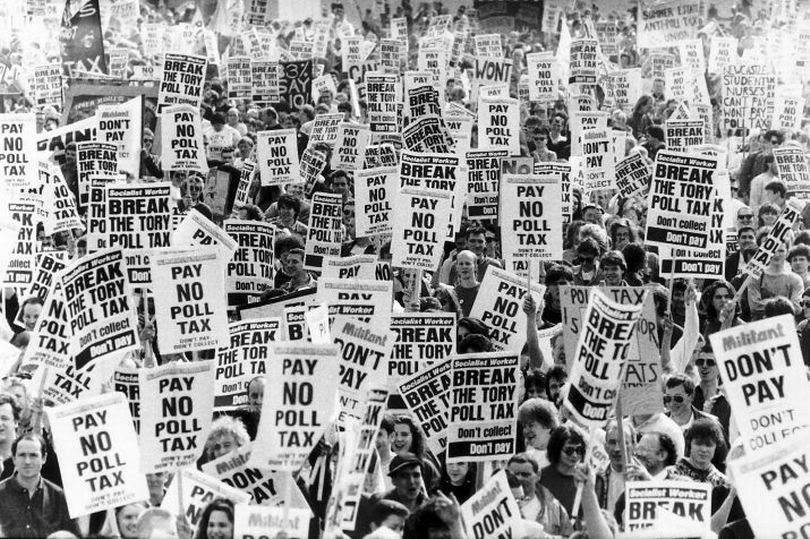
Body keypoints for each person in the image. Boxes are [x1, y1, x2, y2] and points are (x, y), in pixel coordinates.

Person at [0, 434, 79, 537]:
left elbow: (73, 535)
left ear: (44, 458)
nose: (27, 461)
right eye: (22, 455)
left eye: (33, 455)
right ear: (14, 458)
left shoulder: (58, 497)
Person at [508, 453, 573, 536]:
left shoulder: (554, 508)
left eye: (525, 474)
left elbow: (569, 536)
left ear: (538, 475)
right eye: (515, 474)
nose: (519, 478)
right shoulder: (499, 507)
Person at [539, 425, 586, 516]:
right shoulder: (541, 477)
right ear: (556, 449)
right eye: (569, 450)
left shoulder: (584, 478)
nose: (575, 455)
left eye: (579, 450)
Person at [517, 397, 559, 468]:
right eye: (524, 426)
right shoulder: (526, 456)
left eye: (531, 425)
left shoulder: (562, 453)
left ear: (547, 425)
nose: (526, 431)